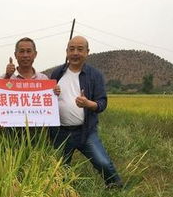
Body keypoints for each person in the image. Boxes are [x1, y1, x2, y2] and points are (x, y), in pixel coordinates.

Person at [49, 36, 123, 188]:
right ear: (67, 52)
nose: (75, 53)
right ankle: (64, 195)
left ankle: (115, 189)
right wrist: (51, 92)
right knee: (58, 170)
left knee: (103, 163)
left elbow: (102, 103)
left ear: (87, 52)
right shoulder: (57, 74)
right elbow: (47, 100)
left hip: (85, 131)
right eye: (72, 49)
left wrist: (89, 104)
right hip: (60, 132)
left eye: (80, 49)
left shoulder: (94, 75)